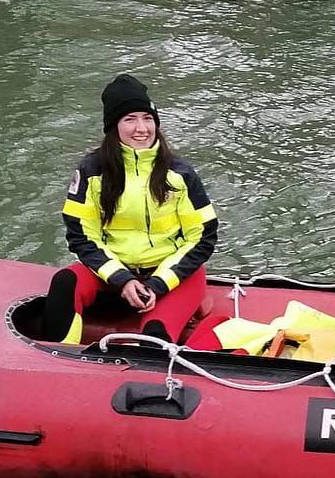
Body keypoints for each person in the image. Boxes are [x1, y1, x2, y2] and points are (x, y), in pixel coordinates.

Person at [44, 73, 217, 346]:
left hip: (171, 278)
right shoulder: (91, 171)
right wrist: (122, 279)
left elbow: (203, 237)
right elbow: (80, 235)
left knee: (154, 339)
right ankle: (57, 363)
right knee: (64, 283)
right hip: (111, 275)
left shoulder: (180, 173)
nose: (142, 128)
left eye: (148, 118)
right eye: (130, 119)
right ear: (114, 127)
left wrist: (157, 284)